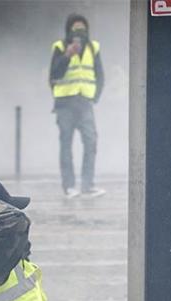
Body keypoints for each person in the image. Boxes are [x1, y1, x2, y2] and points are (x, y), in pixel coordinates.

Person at [49, 14, 105, 198]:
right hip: (65, 104)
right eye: (75, 29)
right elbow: (54, 74)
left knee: (91, 142)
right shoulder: (60, 47)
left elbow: (99, 75)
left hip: (85, 103)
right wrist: (67, 55)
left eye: (82, 28)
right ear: (69, 30)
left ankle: (87, 185)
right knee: (66, 145)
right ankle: (69, 186)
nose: (79, 32)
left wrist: (95, 97)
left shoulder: (93, 47)